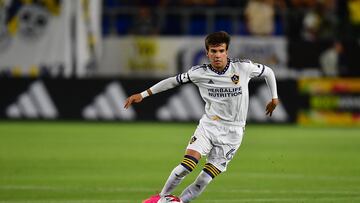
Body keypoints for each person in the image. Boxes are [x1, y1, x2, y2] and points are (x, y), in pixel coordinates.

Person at [124, 31, 279, 203]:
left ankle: (180, 202)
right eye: (213, 51)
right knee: (186, 166)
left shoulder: (243, 68)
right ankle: (160, 199)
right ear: (207, 53)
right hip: (209, 126)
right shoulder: (199, 73)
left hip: (233, 133)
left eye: (221, 51)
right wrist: (144, 94)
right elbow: (172, 81)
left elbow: (269, 72)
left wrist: (274, 97)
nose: (217, 55)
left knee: (204, 179)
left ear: (227, 52)